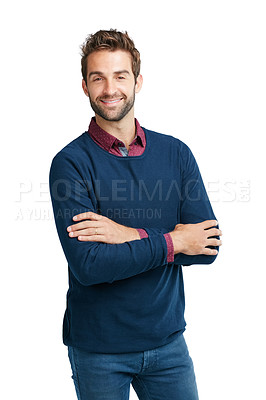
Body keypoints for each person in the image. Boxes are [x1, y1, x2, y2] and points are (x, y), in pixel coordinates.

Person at [49, 29, 222, 400]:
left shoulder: (176, 154)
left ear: (138, 81)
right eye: (98, 78)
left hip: (169, 344)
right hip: (98, 349)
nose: (110, 88)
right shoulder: (70, 164)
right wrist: (176, 240)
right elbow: (91, 265)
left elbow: (207, 247)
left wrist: (127, 235)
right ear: (85, 86)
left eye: (120, 75)